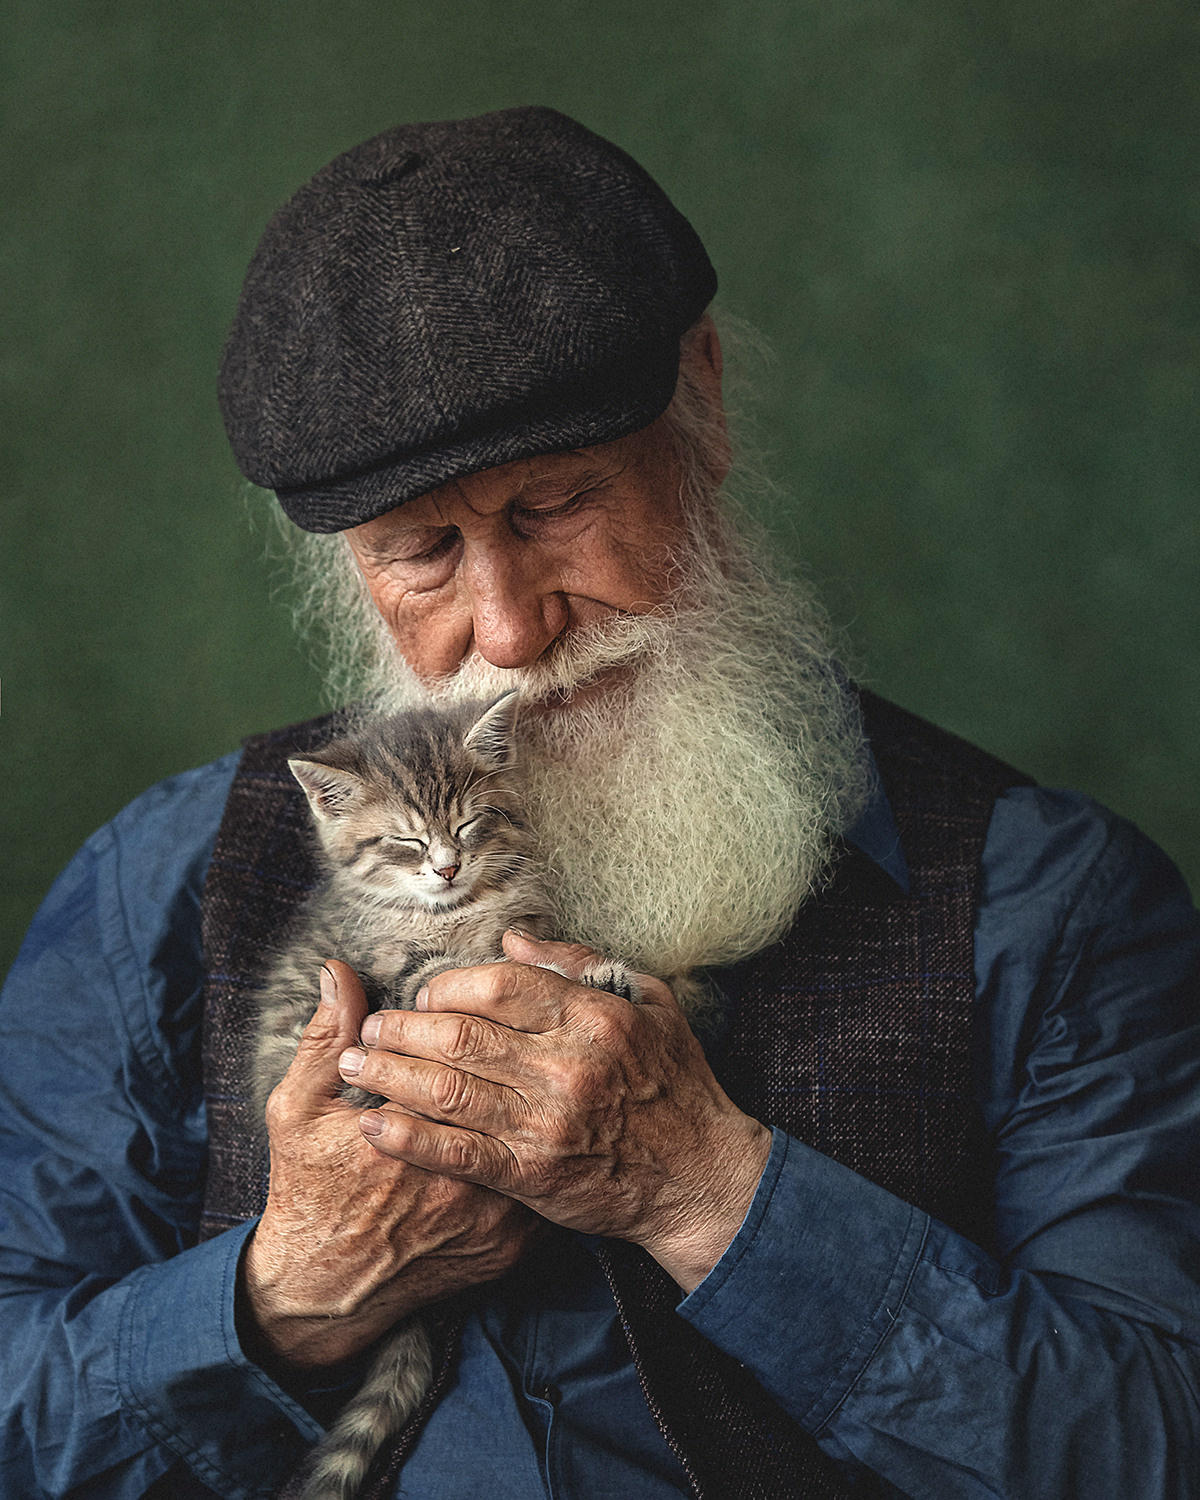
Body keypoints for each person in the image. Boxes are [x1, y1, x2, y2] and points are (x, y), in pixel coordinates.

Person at [2, 105, 1198, 1500]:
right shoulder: (159, 881)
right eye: (421, 551)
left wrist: (705, 1192)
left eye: (556, 504)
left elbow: (1155, 1446)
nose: (512, 631)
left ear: (704, 403)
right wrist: (291, 1292)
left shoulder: (1053, 901)